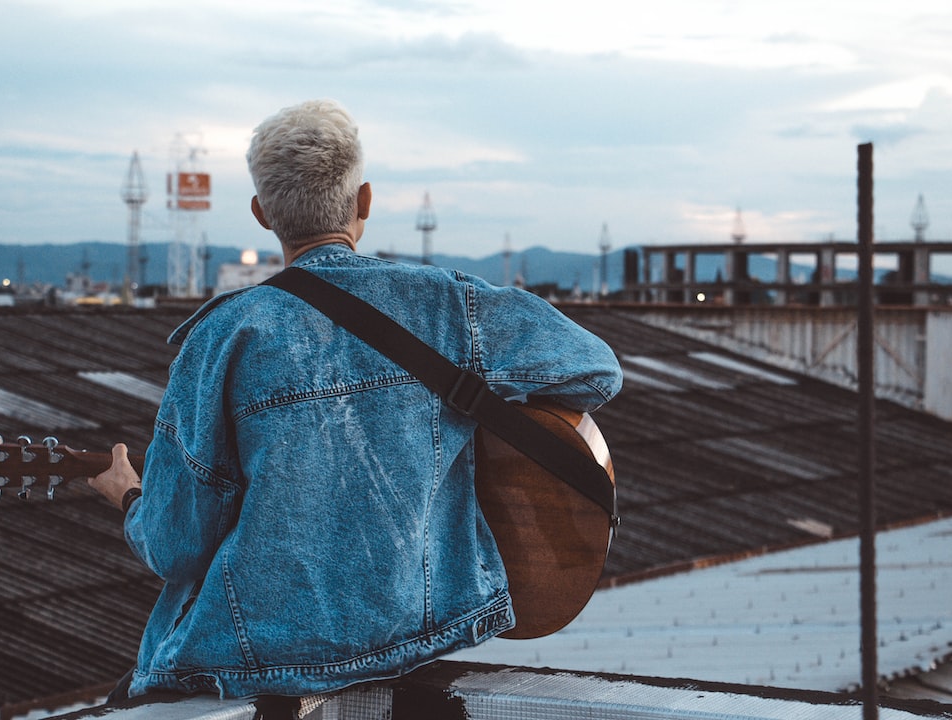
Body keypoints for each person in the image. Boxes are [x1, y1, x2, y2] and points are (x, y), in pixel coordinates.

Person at [88, 99, 622, 702]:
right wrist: (466, 435)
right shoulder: (449, 305)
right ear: (363, 202)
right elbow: (596, 372)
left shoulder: (222, 337)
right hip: (421, 633)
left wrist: (131, 496)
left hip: (254, 661)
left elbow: (176, 545)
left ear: (263, 214)